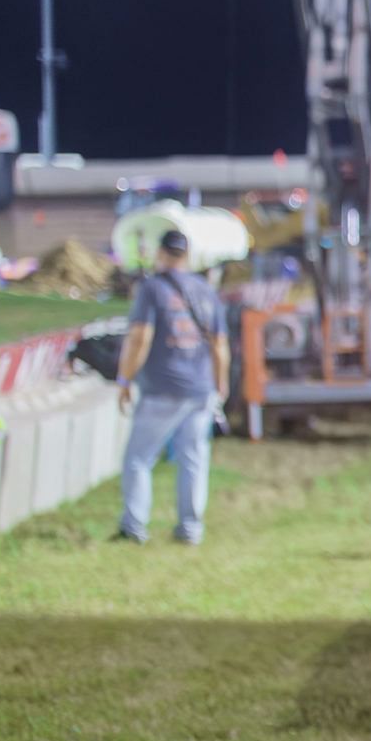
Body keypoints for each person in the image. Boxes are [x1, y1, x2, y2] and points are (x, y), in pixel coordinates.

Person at [114, 227, 228, 545]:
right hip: (201, 388)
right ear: (188, 255)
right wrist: (221, 384)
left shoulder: (151, 289)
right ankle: (190, 529)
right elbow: (220, 344)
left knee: (138, 458)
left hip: (162, 387)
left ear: (160, 253)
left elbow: (140, 337)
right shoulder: (206, 290)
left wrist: (125, 379)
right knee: (193, 459)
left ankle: (134, 526)